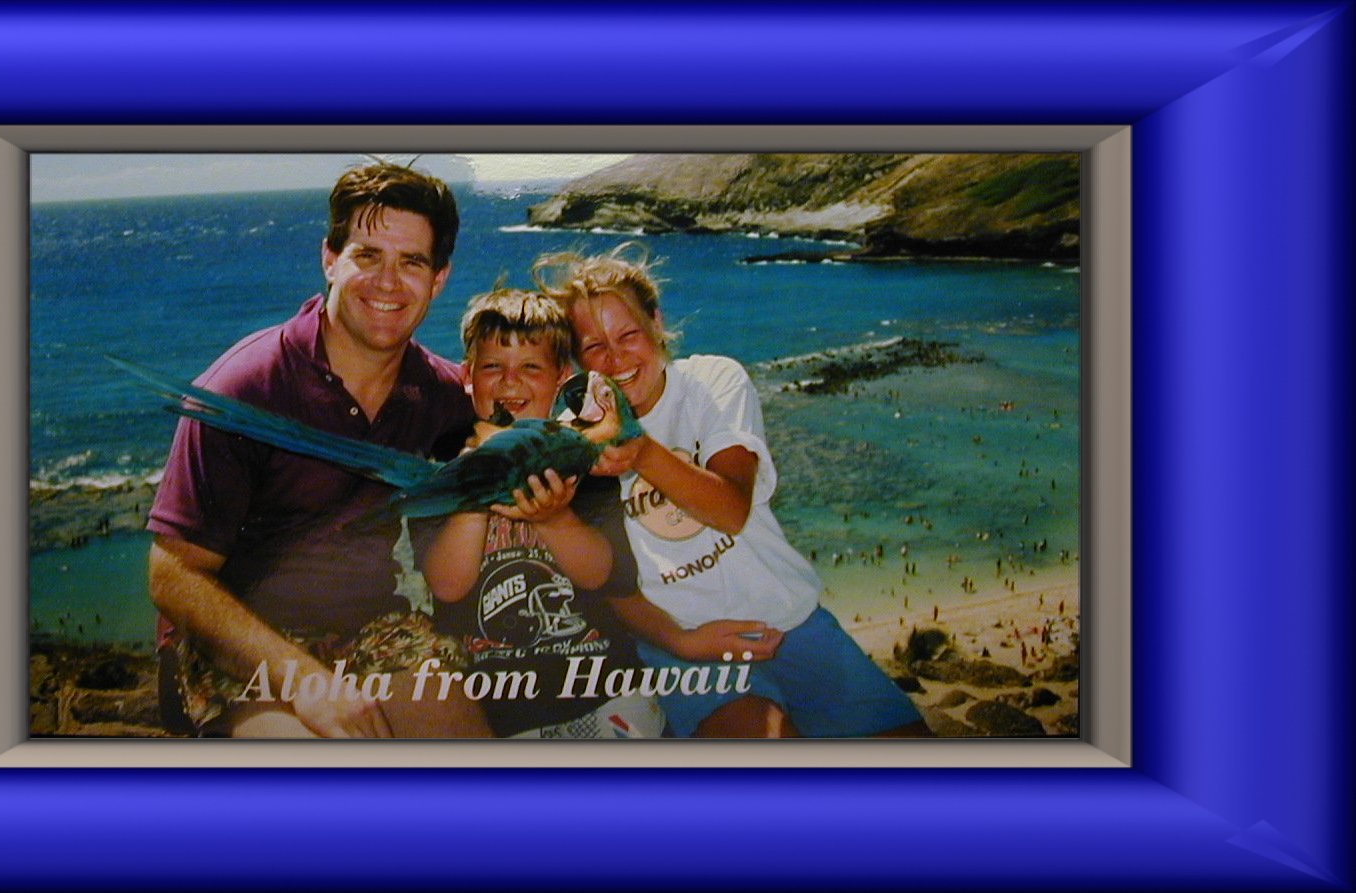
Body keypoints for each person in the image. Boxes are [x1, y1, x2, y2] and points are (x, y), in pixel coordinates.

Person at [146, 162, 492, 738]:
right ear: (330, 259)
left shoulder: (441, 396)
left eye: (412, 262)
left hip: (370, 628)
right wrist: (304, 682)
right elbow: (173, 575)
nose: (388, 281)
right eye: (368, 255)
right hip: (235, 643)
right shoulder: (244, 389)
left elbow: (521, 425)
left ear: (439, 279)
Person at [537, 243, 930, 738]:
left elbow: (731, 509)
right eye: (594, 346)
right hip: (683, 644)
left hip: (790, 622)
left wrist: (639, 452)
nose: (616, 359)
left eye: (629, 334)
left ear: (657, 323)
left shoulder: (711, 382)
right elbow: (609, 581)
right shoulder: (578, 440)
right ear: (577, 361)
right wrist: (681, 643)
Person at [412, 289, 664, 738]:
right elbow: (448, 585)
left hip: (605, 689)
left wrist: (554, 520)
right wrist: (477, 484)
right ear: (468, 375)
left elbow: (600, 574)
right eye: (493, 367)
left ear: (561, 377)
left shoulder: (582, 460)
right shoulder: (441, 470)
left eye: (530, 367)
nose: (510, 383)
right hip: (499, 707)